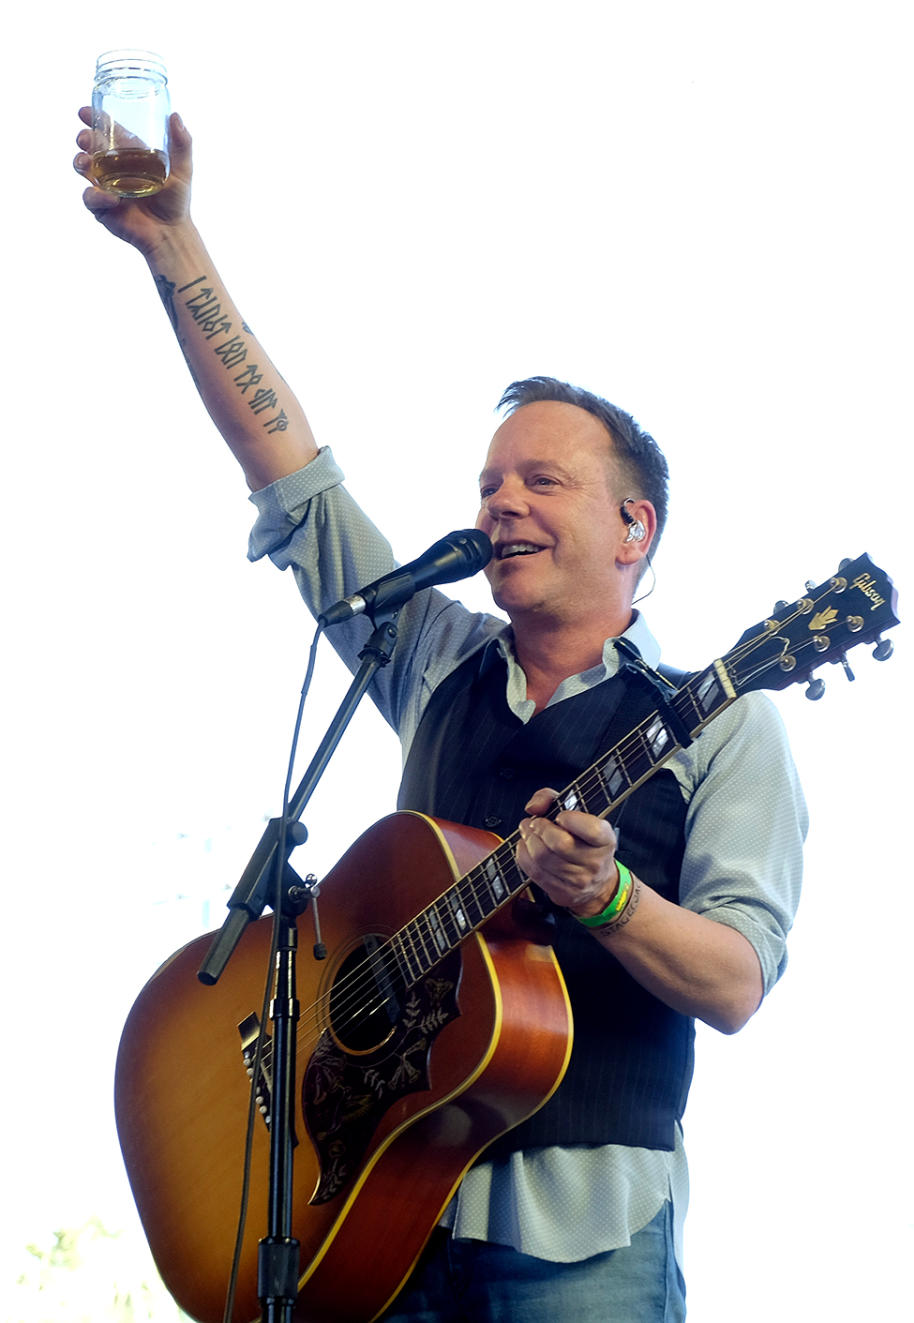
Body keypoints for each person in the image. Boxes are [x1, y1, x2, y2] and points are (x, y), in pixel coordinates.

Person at [76, 111, 806, 1322]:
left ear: (637, 530)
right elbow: (290, 476)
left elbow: (737, 983)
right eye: (487, 485)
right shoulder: (433, 656)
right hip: (378, 1214)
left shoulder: (725, 725)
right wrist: (172, 250)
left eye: (542, 481)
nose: (500, 502)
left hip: (590, 1237)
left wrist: (610, 897)